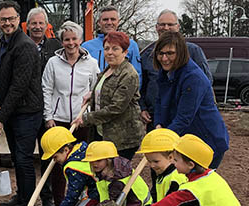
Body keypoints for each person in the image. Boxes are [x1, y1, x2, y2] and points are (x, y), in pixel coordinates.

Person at [0, 1, 43, 206]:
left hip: (26, 111)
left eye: (11, 19)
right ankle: (22, 198)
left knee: (23, 159)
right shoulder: (0, 45)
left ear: (18, 20)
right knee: (18, 158)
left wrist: (1, 116)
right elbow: (4, 73)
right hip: (12, 111)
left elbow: (20, 85)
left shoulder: (25, 46)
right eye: (3, 19)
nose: (7, 23)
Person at [42, 21, 99, 206]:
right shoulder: (53, 63)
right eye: (67, 39)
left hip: (81, 121)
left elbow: (96, 90)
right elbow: (47, 89)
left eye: (74, 39)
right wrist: (48, 116)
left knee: (81, 164)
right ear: (62, 41)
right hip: (59, 121)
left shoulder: (91, 64)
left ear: (81, 40)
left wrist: (89, 115)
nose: (71, 43)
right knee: (59, 167)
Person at [152, 31, 229, 169]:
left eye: (170, 53)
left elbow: (184, 117)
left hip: (206, 140)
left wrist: (163, 140)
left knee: (198, 183)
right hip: (186, 140)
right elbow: (159, 101)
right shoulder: (164, 73)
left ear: (180, 52)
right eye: (160, 53)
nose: (164, 58)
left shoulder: (193, 78)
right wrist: (158, 124)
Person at [72, 31, 144, 160]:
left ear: (125, 52)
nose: (110, 52)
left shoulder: (128, 74)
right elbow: (104, 89)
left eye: (115, 49)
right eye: (106, 48)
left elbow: (116, 108)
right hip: (103, 132)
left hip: (122, 138)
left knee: (115, 175)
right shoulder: (108, 69)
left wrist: (86, 118)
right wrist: (93, 95)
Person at [140, 9, 212, 128]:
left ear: (178, 26)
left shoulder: (193, 51)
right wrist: (143, 108)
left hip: (186, 119)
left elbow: (205, 82)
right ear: (156, 27)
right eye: (162, 24)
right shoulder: (148, 55)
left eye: (170, 24)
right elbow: (143, 86)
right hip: (156, 118)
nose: (166, 28)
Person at [27, 7, 63, 206]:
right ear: (28, 25)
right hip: (25, 109)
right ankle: (25, 194)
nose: (38, 27)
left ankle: (47, 195)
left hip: (49, 110)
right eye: (34, 23)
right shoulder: (21, 44)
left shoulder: (55, 47)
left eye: (41, 23)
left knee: (48, 154)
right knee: (22, 156)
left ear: (47, 26)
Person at [39, 127, 99, 206]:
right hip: (98, 189)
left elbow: (73, 194)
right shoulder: (81, 150)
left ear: (66, 150)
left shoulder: (73, 167)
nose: (55, 161)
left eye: (55, 157)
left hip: (98, 193)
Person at [81, 6, 141, 83]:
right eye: (105, 20)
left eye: (113, 19)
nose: (109, 23)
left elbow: (137, 76)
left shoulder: (131, 45)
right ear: (99, 22)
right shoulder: (86, 47)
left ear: (118, 22)